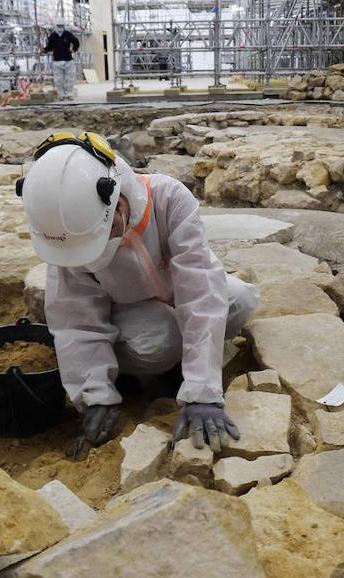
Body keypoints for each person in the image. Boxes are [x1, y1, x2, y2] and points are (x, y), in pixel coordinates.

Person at [18, 131, 259, 453]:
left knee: (238, 301)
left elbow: (200, 287)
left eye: (106, 235)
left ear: (117, 203)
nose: (99, 249)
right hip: (129, 312)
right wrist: (94, 395)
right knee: (162, 340)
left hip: (174, 292)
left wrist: (203, 392)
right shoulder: (66, 233)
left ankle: (184, 368)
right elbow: (76, 319)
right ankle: (135, 374)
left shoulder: (168, 198)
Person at [43, 22, 80, 101]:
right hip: (57, 60)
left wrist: (74, 49)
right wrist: (44, 50)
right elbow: (49, 46)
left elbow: (76, 42)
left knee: (69, 78)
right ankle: (61, 95)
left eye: (61, 26)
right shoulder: (53, 36)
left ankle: (69, 94)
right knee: (58, 79)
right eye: (58, 25)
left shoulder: (68, 34)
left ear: (64, 26)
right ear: (55, 26)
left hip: (68, 60)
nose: (60, 27)